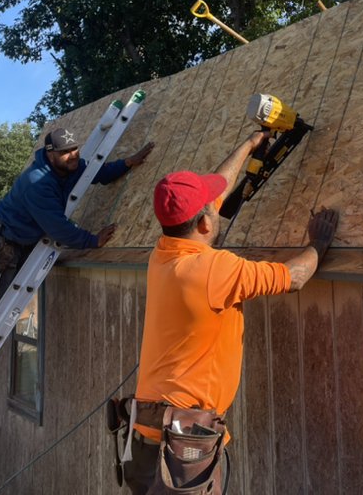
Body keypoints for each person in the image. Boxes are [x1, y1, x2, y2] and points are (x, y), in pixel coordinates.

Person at [118, 131, 338, 494]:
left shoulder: (163, 252)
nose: (215, 204)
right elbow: (294, 278)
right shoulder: (215, 270)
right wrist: (319, 242)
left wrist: (250, 145)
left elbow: (216, 191)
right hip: (181, 448)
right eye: (210, 207)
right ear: (205, 223)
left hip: (144, 436)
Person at [0, 127, 155, 385]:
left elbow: (95, 172)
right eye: (64, 152)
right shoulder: (37, 182)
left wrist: (127, 163)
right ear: (50, 155)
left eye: (74, 149)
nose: (72, 155)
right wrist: (91, 240)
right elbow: (57, 227)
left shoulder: (66, 169)